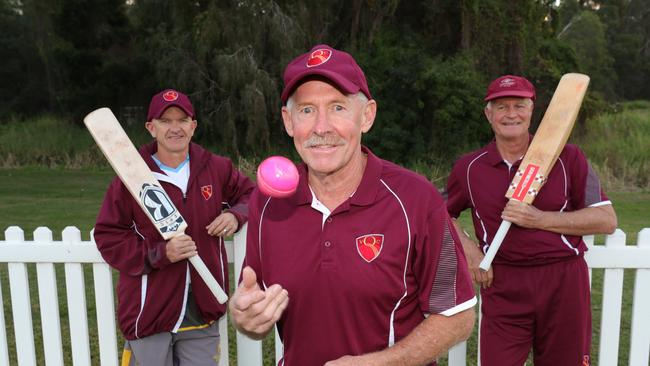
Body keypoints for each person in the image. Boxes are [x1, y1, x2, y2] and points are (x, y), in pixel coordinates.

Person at [229, 44, 477, 366]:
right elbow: (256, 303)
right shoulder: (268, 201)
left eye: (337, 108)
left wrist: (382, 363)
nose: (321, 127)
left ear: (367, 116)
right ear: (289, 122)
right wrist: (246, 317)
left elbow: (457, 317)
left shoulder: (416, 200)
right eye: (306, 110)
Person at [446, 75, 617, 366]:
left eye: (519, 105)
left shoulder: (570, 157)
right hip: (503, 281)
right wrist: (469, 250)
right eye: (501, 106)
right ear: (488, 114)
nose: (511, 114)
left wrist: (538, 219)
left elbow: (606, 220)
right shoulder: (469, 167)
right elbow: (438, 212)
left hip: (563, 279)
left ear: (532, 111)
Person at [94, 89, 255, 366]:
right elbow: (109, 235)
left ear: (193, 126)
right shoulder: (130, 177)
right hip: (150, 313)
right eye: (165, 120)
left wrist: (236, 215)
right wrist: (161, 253)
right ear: (151, 127)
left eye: (182, 120)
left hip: (202, 308)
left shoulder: (215, 168)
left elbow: (251, 194)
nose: (175, 128)